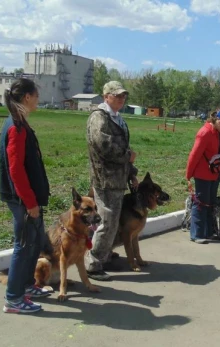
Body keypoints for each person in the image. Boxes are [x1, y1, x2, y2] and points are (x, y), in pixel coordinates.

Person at [0, 78, 51, 314]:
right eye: (37, 95)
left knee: (35, 242)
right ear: (27, 97)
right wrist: (29, 202)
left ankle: (28, 286)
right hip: (22, 200)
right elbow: (16, 170)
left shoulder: (21, 123)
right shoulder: (15, 127)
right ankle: (14, 299)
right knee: (24, 245)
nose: (38, 99)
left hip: (30, 198)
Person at [85, 81, 138, 281]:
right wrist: (127, 156)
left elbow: (124, 148)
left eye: (123, 96)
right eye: (117, 96)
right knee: (107, 222)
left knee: (112, 222)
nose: (121, 99)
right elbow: (104, 146)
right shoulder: (99, 118)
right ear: (106, 96)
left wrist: (131, 172)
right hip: (105, 179)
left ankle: (104, 254)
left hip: (117, 178)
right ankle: (93, 263)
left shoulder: (116, 117)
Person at [186, 112, 220, 244]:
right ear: (219, 121)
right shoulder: (204, 133)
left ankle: (209, 231)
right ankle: (196, 234)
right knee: (200, 204)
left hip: (213, 174)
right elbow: (195, 154)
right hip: (202, 174)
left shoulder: (215, 132)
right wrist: (188, 175)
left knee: (210, 204)